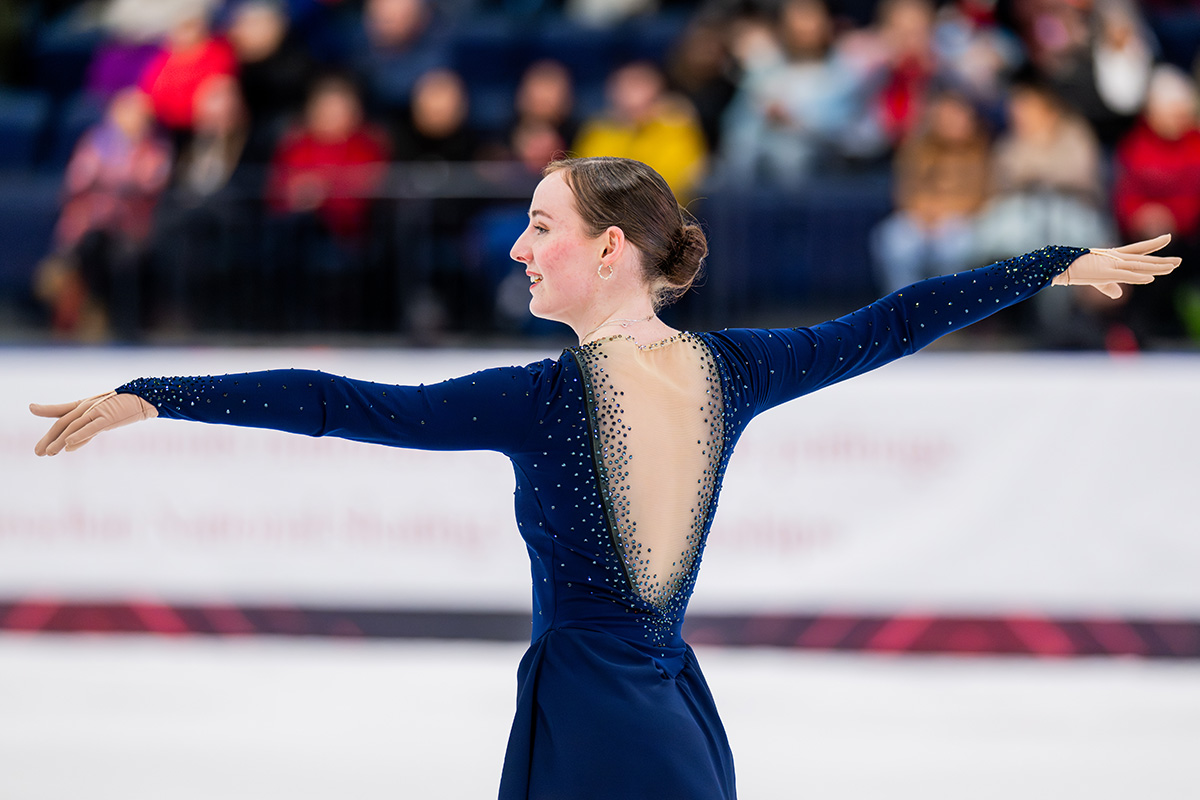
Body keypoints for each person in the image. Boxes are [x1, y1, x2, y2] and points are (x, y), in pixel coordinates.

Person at [30, 157, 1179, 799]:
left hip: (595, 719)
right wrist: (1051, 263)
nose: (521, 248)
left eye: (540, 226)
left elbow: (340, 403)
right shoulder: (739, 367)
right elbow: (897, 321)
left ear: (611, 247)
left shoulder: (538, 396)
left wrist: (163, 391)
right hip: (664, 704)